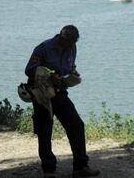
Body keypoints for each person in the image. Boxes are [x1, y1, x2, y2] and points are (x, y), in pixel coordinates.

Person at [25, 25, 100, 178]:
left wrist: (72, 73)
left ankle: (80, 167)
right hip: (42, 95)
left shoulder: (72, 48)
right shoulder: (43, 48)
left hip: (60, 93)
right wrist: (50, 75)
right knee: (45, 131)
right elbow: (30, 70)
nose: (71, 46)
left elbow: (70, 66)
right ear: (61, 37)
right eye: (69, 43)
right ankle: (49, 171)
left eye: (73, 43)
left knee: (76, 125)